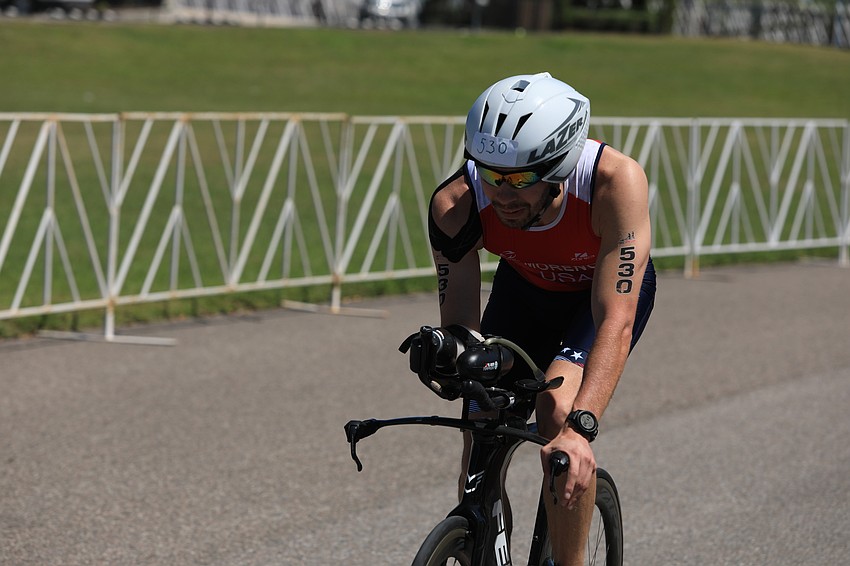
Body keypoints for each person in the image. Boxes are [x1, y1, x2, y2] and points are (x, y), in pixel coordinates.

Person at [427, 72, 656, 565]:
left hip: (597, 301)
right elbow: (461, 324)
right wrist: (455, 360)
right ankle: (482, 543)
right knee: (481, 414)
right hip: (526, 289)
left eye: (520, 179)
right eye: (489, 173)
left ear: (561, 164)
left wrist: (581, 428)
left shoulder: (614, 183)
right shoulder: (455, 205)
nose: (502, 195)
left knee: (556, 409)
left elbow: (614, 320)